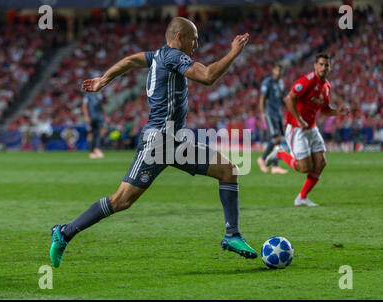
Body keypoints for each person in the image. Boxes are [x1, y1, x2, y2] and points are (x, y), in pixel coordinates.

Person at [50, 17, 257, 268]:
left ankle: (232, 235)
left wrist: (105, 79)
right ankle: (64, 232)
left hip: (176, 140)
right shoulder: (173, 56)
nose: (197, 44)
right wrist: (233, 52)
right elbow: (207, 76)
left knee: (228, 170)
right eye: (194, 39)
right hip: (158, 141)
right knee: (121, 201)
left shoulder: (158, 55)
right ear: (180, 37)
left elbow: (130, 60)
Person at [266, 53, 349, 206]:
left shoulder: (327, 87)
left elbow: (324, 109)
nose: (324, 67)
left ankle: (302, 198)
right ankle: (279, 153)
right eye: (321, 64)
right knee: (304, 167)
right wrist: (299, 119)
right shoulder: (307, 81)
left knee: (321, 162)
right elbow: (289, 98)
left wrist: (338, 112)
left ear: (330, 67)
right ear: (315, 65)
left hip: (311, 128)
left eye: (327, 65)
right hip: (296, 128)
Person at [257, 63, 288, 174]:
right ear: (273, 71)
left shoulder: (280, 83)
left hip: (278, 114)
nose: (279, 73)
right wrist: (263, 114)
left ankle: (275, 167)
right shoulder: (267, 82)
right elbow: (262, 98)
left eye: (281, 71)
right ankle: (262, 159)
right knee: (276, 138)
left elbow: (283, 97)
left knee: (278, 140)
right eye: (277, 71)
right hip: (270, 113)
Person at [82, 91, 106, 159]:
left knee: (102, 131)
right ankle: (91, 152)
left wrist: (104, 114)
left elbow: (101, 106)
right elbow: (84, 106)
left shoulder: (99, 95)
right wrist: (86, 116)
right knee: (90, 133)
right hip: (91, 117)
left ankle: (97, 148)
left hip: (99, 117)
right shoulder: (87, 95)